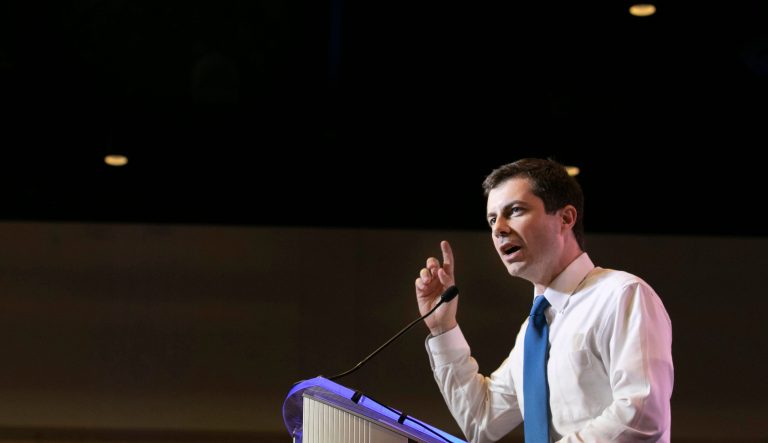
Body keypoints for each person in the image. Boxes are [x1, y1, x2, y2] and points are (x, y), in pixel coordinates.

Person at [415, 158, 673, 442]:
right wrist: (443, 328)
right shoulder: (535, 330)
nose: (498, 228)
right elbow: (480, 420)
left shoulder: (621, 295)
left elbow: (642, 415)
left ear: (565, 218)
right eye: (491, 219)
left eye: (514, 211)